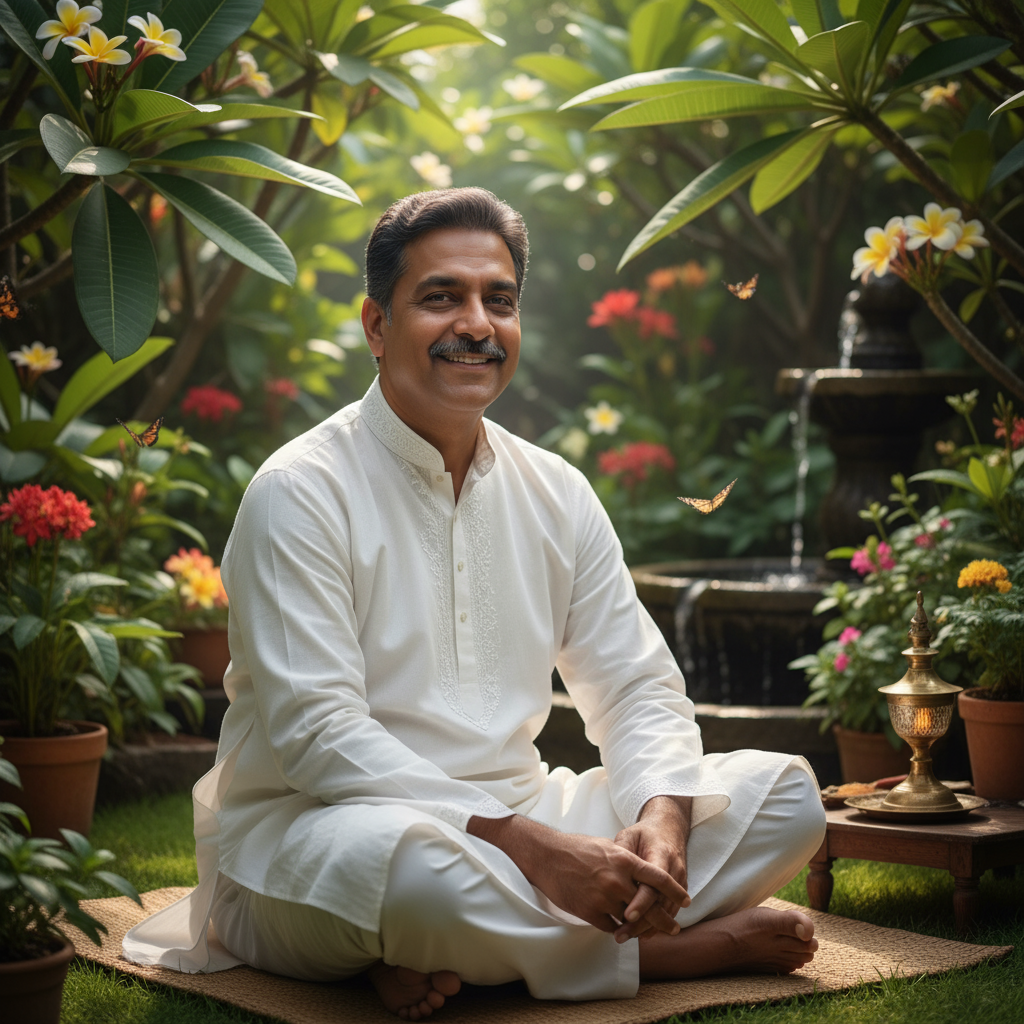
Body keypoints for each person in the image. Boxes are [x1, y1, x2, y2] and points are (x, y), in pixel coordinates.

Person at [123, 188, 826, 1021]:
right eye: (441, 297)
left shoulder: (555, 491)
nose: (477, 324)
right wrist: (532, 850)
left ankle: (462, 955)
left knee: (788, 796)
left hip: (527, 817)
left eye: (499, 300)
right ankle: (681, 950)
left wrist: (661, 820)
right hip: (322, 833)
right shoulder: (300, 492)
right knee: (419, 880)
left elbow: (635, 684)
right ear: (376, 327)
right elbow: (319, 739)